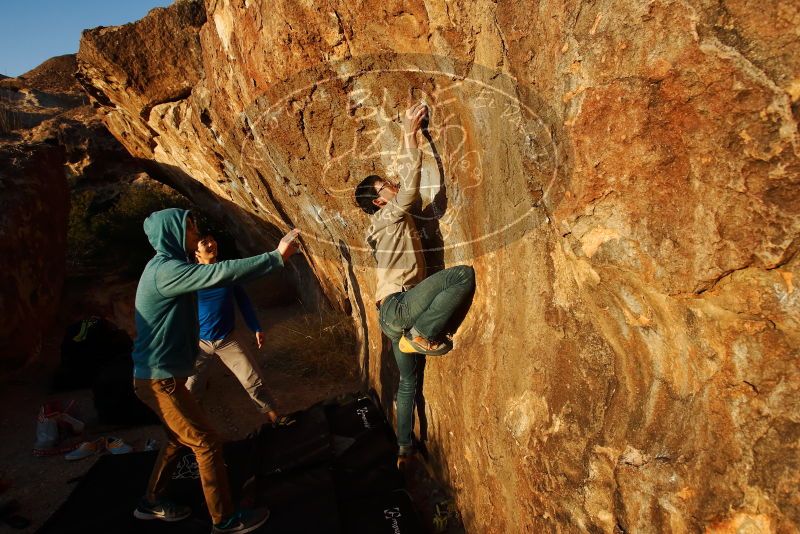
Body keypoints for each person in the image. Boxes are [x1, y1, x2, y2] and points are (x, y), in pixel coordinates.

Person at [130, 207, 300, 533]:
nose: (196, 235)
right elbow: (219, 274)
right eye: (191, 229)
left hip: (165, 378)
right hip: (159, 380)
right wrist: (276, 256)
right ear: (174, 233)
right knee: (206, 443)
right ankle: (224, 521)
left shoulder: (164, 267)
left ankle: (151, 501)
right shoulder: (167, 271)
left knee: (178, 438)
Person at [354, 102, 476, 458]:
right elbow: (410, 190)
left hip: (391, 317)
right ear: (379, 202)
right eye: (385, 186)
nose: (392, 184)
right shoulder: (387, 218)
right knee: (461, 276)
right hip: (400, 307)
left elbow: (404, 190)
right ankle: (420, 334)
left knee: (408, 382)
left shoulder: (380, 226)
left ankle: (405, 447)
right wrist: (409, 134)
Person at [186, 234, 283, 424]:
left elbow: (243, 301)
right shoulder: (191, 277)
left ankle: (275, 419)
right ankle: (189, 430)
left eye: (212, 239)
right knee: (190, 387)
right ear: (196, 253)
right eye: (205, 243)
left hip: (227, 339)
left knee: (252, 379)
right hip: (200, 343)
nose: (212, 243)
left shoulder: (227, 271)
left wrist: (256, 327)